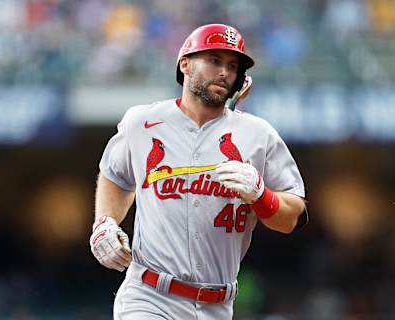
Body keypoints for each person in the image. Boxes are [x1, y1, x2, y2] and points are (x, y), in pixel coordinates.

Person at [89, 23, 308, 319]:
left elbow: (292, 216)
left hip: (218, 304)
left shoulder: (258, 135)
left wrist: (261, 196)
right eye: (214, 60)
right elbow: (115, 177)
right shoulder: (143, 121)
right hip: (149, 296)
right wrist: (105, 222)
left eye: (232, 65)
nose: (224, 72)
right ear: (185, 64)